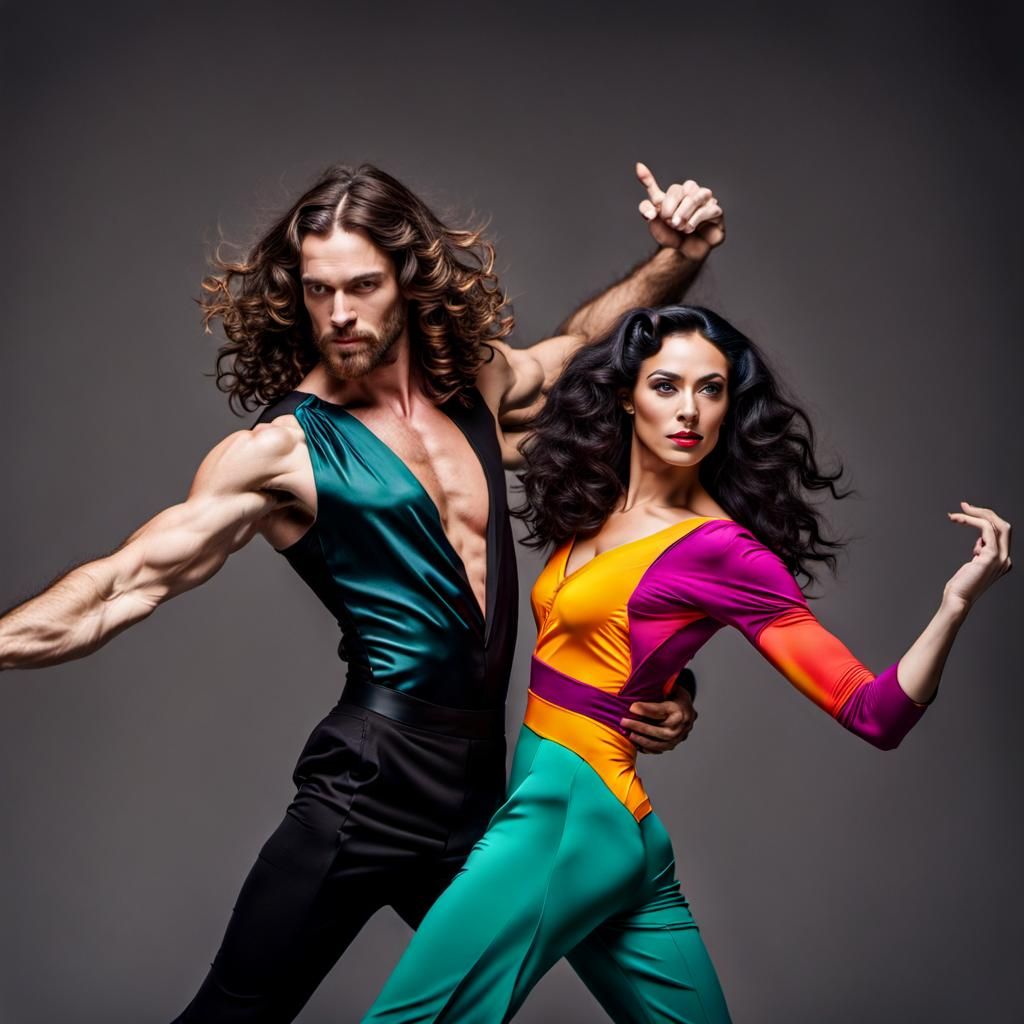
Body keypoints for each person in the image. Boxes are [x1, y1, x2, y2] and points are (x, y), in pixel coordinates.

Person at [0, 164, 726, 1021]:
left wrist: (673, 261)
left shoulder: (478, 391)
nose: (339, 314)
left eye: (362, 286)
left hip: (490, 791)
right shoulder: (279, 453)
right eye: (318, 291)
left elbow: (583, 352)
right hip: (366, 792)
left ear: (408, 282)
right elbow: (118, 585)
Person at [359, 305, 1013, 1024]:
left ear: (732, 406)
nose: (690, 411)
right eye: (666, 386)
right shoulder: (595, 502)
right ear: (624, 396)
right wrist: (677, 687)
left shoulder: (723, 550)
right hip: (607, 826)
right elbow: (618, 642)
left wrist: (954, 604)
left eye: (712, 390)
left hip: (567, 819)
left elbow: (875, 712)